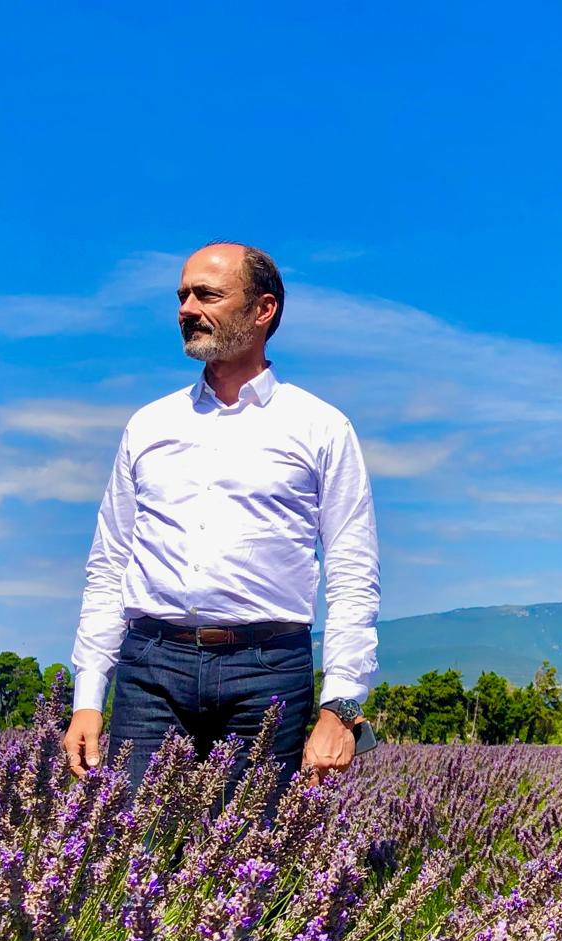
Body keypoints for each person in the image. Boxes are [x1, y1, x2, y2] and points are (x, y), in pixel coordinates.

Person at [61, 242, 379, 819]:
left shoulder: (321, 427)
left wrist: (339, 707)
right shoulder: (149, 425)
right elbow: (110, 563)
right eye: (182, 295)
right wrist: (88, 699)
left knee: (247, 865)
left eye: (207, 294)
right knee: (135, 857)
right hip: (151, 668)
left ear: (263, 310)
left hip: (266, 671)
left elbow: (354, 573)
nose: (187, 307)